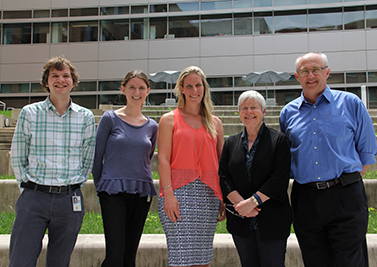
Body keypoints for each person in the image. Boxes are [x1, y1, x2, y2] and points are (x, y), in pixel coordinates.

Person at [279, 52, 377, 267]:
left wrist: (342, 182)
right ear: (297, 76)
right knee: (314, 260)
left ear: (327, 72)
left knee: (350, 261)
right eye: (305, 71)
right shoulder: (288, 113)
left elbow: (367, 153)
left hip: (345, 195)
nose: (311, 75)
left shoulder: (351, 103)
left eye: (316, 69)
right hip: (305, 198)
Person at [9, 56, 96, 267]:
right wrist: (29, 189)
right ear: (46, 82)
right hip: (34, 198)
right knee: (21, 261)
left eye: (66, 75)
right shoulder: (30, 113)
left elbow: (88, 158)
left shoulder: (85, 117)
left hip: (69, 201)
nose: (60, 80)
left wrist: (73, 186)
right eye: (54, 76)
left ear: (73, 82)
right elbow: (18, 155)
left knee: (59, 262)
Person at [157, 66, 225, 267]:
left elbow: (222, 164)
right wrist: (168, 194)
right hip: (177, 195)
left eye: (198, 85)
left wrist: (222, 197)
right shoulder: (169, 119)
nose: (194, 90)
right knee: (180, 260)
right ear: (182, 88)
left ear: (204, 88)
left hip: (207, 197)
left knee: (203, 260)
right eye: (189, 86)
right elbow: (163, 159)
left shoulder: (216, 123)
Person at [92, 70, 158, 267]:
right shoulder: (110, 118)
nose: (136, 92)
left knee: (130, 256)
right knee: (114, 255)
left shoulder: (152, 126)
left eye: (141, 88)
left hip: (141, 192)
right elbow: (97, 158)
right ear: (123, 90)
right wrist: (100, 188)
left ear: (147, 91)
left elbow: (146, 157)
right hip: (112, 193)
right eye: (132, 87)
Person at [219, 90, 292, 267]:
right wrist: (241, 206)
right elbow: (224, 177)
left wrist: (252, 202)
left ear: (264, 112)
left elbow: (279, 178)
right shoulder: (231, 143)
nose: (249, 112)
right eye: (244, 108)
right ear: (239, 113)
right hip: (240, 221)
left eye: (254, 107)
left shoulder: (279, 141)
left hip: (272, 221)